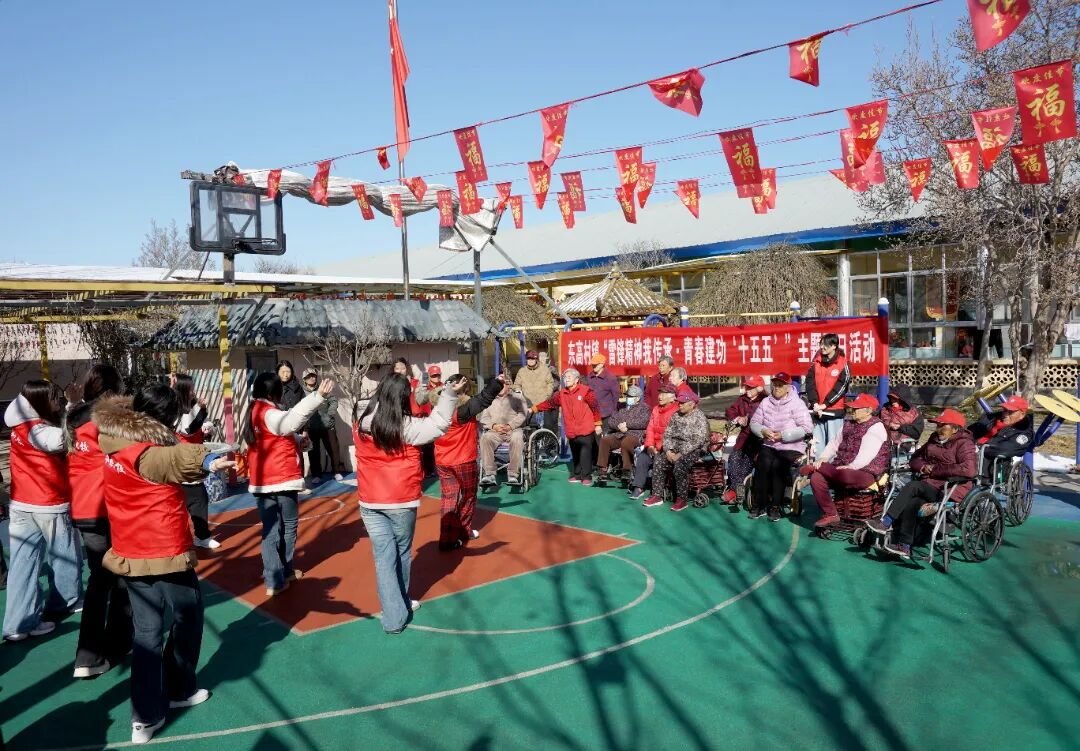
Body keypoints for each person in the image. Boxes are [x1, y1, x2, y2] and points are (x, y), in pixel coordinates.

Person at [94, 384, 235, 744]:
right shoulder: (147, 452)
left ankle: (144, 717)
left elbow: (170, 458)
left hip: (130, 548)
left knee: (147, 633)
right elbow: (171, 460)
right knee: (189, 615)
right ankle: (179, 688)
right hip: (163, 549)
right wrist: (206, 459)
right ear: (165, 419)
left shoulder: (113, 441)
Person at [353, 373, 466, 633]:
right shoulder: (406, 426)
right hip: (401, 499)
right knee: (402, 552)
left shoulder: (361, 420)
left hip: (370, 500)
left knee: (384, 558)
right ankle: (398, 609)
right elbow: (439, 424)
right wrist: (450, 393)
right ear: (404, 397)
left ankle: (394, 613)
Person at [66, 364, 133, 678]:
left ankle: (89, 655)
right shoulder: (107, 418)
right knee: (120, 575)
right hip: (107, 505)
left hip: (82, 507)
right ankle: (114, 645)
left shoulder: (74, 419)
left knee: (100, 580)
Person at [3, 381, 82, 642]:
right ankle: (64, 603)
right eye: (53, 398)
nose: (57, 401)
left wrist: (69, 405)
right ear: (38, 401)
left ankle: (17, 625)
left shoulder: (19, 423)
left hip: (21, 504)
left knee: (22, 566)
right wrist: (75, 405)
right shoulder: (40, 431)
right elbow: (64, 438)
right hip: (49, 503)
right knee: (65, 556)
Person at [245, 372, 332, 596]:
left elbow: (278, 434)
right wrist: (317, 396)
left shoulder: (255, 411)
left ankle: (276, 574)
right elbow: (292, 420)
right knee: (287, 527)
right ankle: (280, 574)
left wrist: (297, 441)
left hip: (263, 481)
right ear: (274, 392)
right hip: (281, 479)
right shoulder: (270, 412)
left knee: (271, 529)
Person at [866, 408, 976, 559]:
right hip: (930, 486)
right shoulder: (934, 439)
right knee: (913, 504)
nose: (938, 429)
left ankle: (886, 522)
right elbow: (915, 458)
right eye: (937, 425)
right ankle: (905, 545)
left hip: (949, 490)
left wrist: (935, 470)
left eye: (942, 426)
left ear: (955, 429)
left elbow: (969, 470)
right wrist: (923, 467)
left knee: (913, 486)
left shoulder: (964, 444)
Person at [431, 374, 504, 550]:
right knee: (469, 495)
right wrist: (497, 382)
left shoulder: (436, 409)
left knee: (449, 499)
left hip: (443, 459)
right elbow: (483, 399)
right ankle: (463, 530)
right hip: (463, 459)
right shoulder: (462, 410)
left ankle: (446, 538)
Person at [800, 393, 891, 528]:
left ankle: (815, 466)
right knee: (816, 478)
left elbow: (866, 456)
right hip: (841, 469)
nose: (852, 410)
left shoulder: (876, 427)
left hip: (866, 472)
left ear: (868, 411)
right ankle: (830, 514)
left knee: (845, 475)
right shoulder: (848, 424)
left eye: (856, 408)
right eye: (852, 408)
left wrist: (852, 466)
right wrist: (824, 457)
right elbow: (834, 443)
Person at [748, 372, 814, 521]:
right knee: (763, 463)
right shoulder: (766, 402)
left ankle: (775, 506)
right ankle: (760, 504)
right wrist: (762, 431)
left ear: (788, 387)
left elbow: (807, 428)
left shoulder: (797, 403)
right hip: (770, 443)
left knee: (778, 465)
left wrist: (783, 435)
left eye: (780, 385)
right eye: (775, 385)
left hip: (791, 445)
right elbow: (754, 423)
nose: (777, 388)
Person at [642, 390, 711, 512]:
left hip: (694, 449)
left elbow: (697, 441)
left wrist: (679, 454)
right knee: (659, 460)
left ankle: (681, 499)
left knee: (680, 465)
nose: (680, 405)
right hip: (674, 447)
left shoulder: (699, 417)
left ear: (691, 404)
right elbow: (667, 435)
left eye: (683, 403)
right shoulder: (676, 415)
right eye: (679, 402)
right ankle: (657, 495)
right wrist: (668, 450)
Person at [531, 369, 602, 485]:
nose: (566, 379)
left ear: (576, 380)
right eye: (565, 377)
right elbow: (549, 403)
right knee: (575, 452)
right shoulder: (562, 394)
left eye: (569, 377)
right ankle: (577, 474)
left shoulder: (586, 391)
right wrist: (534, 408)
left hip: (585, 428)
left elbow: (595, 407)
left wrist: (598, 424)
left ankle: (586, 476)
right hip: (571, 429)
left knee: (585, 453)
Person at [173, 374, 218, 550]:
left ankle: (201, 535)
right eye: (190, 388)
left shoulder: (192, 406)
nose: (193, 392)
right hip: (183, 461)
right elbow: (188, 428)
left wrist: (208, 429)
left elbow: (199, 426)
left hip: (194, 459)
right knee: (194, 499)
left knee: (198, 499)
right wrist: (201, 409)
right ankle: (197, 536)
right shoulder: (175, 409)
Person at [628, 384, 679, 500]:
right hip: (654, 445)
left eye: (664, 394)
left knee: (658, 459)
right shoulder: (656, 409)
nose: (660, 396)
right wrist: (650, 445)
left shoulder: (676, 411)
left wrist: (659, 447)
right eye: (660, 393)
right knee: (643, 457)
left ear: (672, 398)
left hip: (667, 447)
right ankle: (638, 487)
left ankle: (656, 492)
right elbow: (650, 428)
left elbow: (671, 435)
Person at [804, 334, 851, 458]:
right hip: (817, 412)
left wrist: (825, 404)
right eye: (821, 344)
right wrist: (815, 403)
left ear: (834, 346)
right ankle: (817, 469)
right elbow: (809, 383)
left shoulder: (843, 363)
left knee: (833, 450)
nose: (822, 347)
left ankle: (832, 470)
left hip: (834, 412)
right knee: (817, 449)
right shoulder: (816, 362)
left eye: (825, 344)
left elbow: (841, 387)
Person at [722, 376, 766, 505]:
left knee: (747, 462)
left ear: (759, 388)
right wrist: (737, 418)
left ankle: (735, 491)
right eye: (747, 386)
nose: (747, 389)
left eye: (750, 387)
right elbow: (730, 410)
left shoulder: (766, 401)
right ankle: (737, 490)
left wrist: (748, 418)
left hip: (760, 439)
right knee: (734, 458)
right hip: (744, 438)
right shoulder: (742, 399)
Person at [478, 378, 530, 487]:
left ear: (508, 385)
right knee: (485, 438)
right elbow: (484, 418)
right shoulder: (490, 399)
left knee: (517, 438)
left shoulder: (517, 397)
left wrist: (510, 425)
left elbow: (523, 414)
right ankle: (489, 474)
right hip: (495, 431)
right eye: (498, 384)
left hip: (513, 429)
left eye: (503, 384)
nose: (500, 386)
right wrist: (494, 426)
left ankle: (513, 474)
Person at [596, 384, 650, 484]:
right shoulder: (621, 407)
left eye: (630, 396)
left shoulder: (644, 408)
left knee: (626, 443)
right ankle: (602, 469)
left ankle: (627, 470)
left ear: (638, 398)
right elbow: (611, 421)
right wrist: (619, 426)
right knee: (605, 440)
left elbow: (644, 422)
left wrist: (627, 425)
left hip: (635, 435)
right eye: (627, 396)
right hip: (620, 433)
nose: (628, 398)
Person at [970, 395, 1034, 479]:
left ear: (1022, 414)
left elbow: (1008, 449)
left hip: (987, 465)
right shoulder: (991, 419)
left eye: (1010, 412)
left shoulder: (1023, 431)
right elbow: (970, 431)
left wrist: (980, 448)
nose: (1005, 414)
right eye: (1005, 410)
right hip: (969, 452)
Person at [301, 367, 343, 484]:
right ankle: (316, 474)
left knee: (333, 449)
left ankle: (336, 472)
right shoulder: (301, 392)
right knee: (313, 452)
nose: (311, 378)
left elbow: (333, 401)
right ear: (304, 379)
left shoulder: (323, 388)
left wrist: (329, 415)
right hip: (311, 426)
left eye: (313, 376)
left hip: (327, 425)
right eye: (308, 376)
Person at [515, 350, 557, 432]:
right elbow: (517, 384)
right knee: (531, 430)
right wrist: (518, 391)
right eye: (529, 358)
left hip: (542, 405)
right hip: (528, 406)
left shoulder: (544, 369)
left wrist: (547, 395)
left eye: (533, 359)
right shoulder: (522, 371)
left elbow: (550, 383)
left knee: (544, 430)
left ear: (536, 359)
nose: (530, 360)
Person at [586, 353, 621, 422]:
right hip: (592, 413)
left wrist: (612, 410)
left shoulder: (610, 378)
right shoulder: (589, 376)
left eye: (596, 364)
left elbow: (616, 396)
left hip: (606, 414)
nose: (593, 366)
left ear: (602, 364)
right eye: (592, 364)